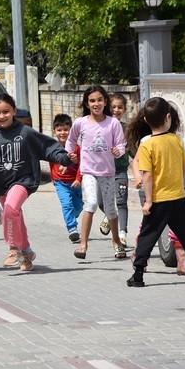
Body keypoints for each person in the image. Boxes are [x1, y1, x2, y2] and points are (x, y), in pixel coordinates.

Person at [0, 93, 78, 271]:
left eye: (6, 111)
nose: (2, 116)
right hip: (1, 185)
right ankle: (27, 253)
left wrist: (65, 158)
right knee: (15, 217)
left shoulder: (25, 132)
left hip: (23, 180)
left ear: (14, 110)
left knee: (11, 209)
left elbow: (48, 148)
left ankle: (13, 248)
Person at [127, 97, 185, 287]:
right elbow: (184, 166)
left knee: (148, 236)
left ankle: (138, 274)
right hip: (178, 197)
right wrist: (179, 183)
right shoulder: (176, 140)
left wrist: (148, 201)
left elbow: (147, 175)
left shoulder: (148, 144)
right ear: (168, 117)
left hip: (159, 199)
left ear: (146, 121)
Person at [65, 85, 126, 260]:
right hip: (88, 171)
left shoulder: (113, 123)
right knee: (91, 203)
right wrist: (68, 157)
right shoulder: (80, 123)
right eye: (92, 100)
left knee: (110, 210)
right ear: (87, 103)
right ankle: (83, 246)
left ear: (105, 101)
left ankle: (116, 242)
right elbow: (71, 142)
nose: (96, 104)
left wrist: (118, 151)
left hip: (107, 172)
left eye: (99, 100)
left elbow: (121, 145)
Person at [98, 93, 131, 246]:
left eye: (120, 107)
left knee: (121, 202)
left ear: (124, 109)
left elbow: (133, 151)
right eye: (113, 107)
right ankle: (110, 216)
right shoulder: (101, 127)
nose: (116, 110)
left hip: (120, 171)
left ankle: (122, 233)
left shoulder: (127, 130)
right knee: (100, 202)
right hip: (103, 171)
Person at [49, 113, 83, 243]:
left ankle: (71, 217)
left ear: (71, 130)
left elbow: (81, 165)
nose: (62, 133)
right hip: (60, 182)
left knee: (78, 207)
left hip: (75, 182)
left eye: (65, 130)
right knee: (67, 205)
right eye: (59, 130)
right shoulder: (53, 148)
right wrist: (53, 177)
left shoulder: (76, 148)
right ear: (54, 131)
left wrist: (78, 179)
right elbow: (51, 163)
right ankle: (72, 229)